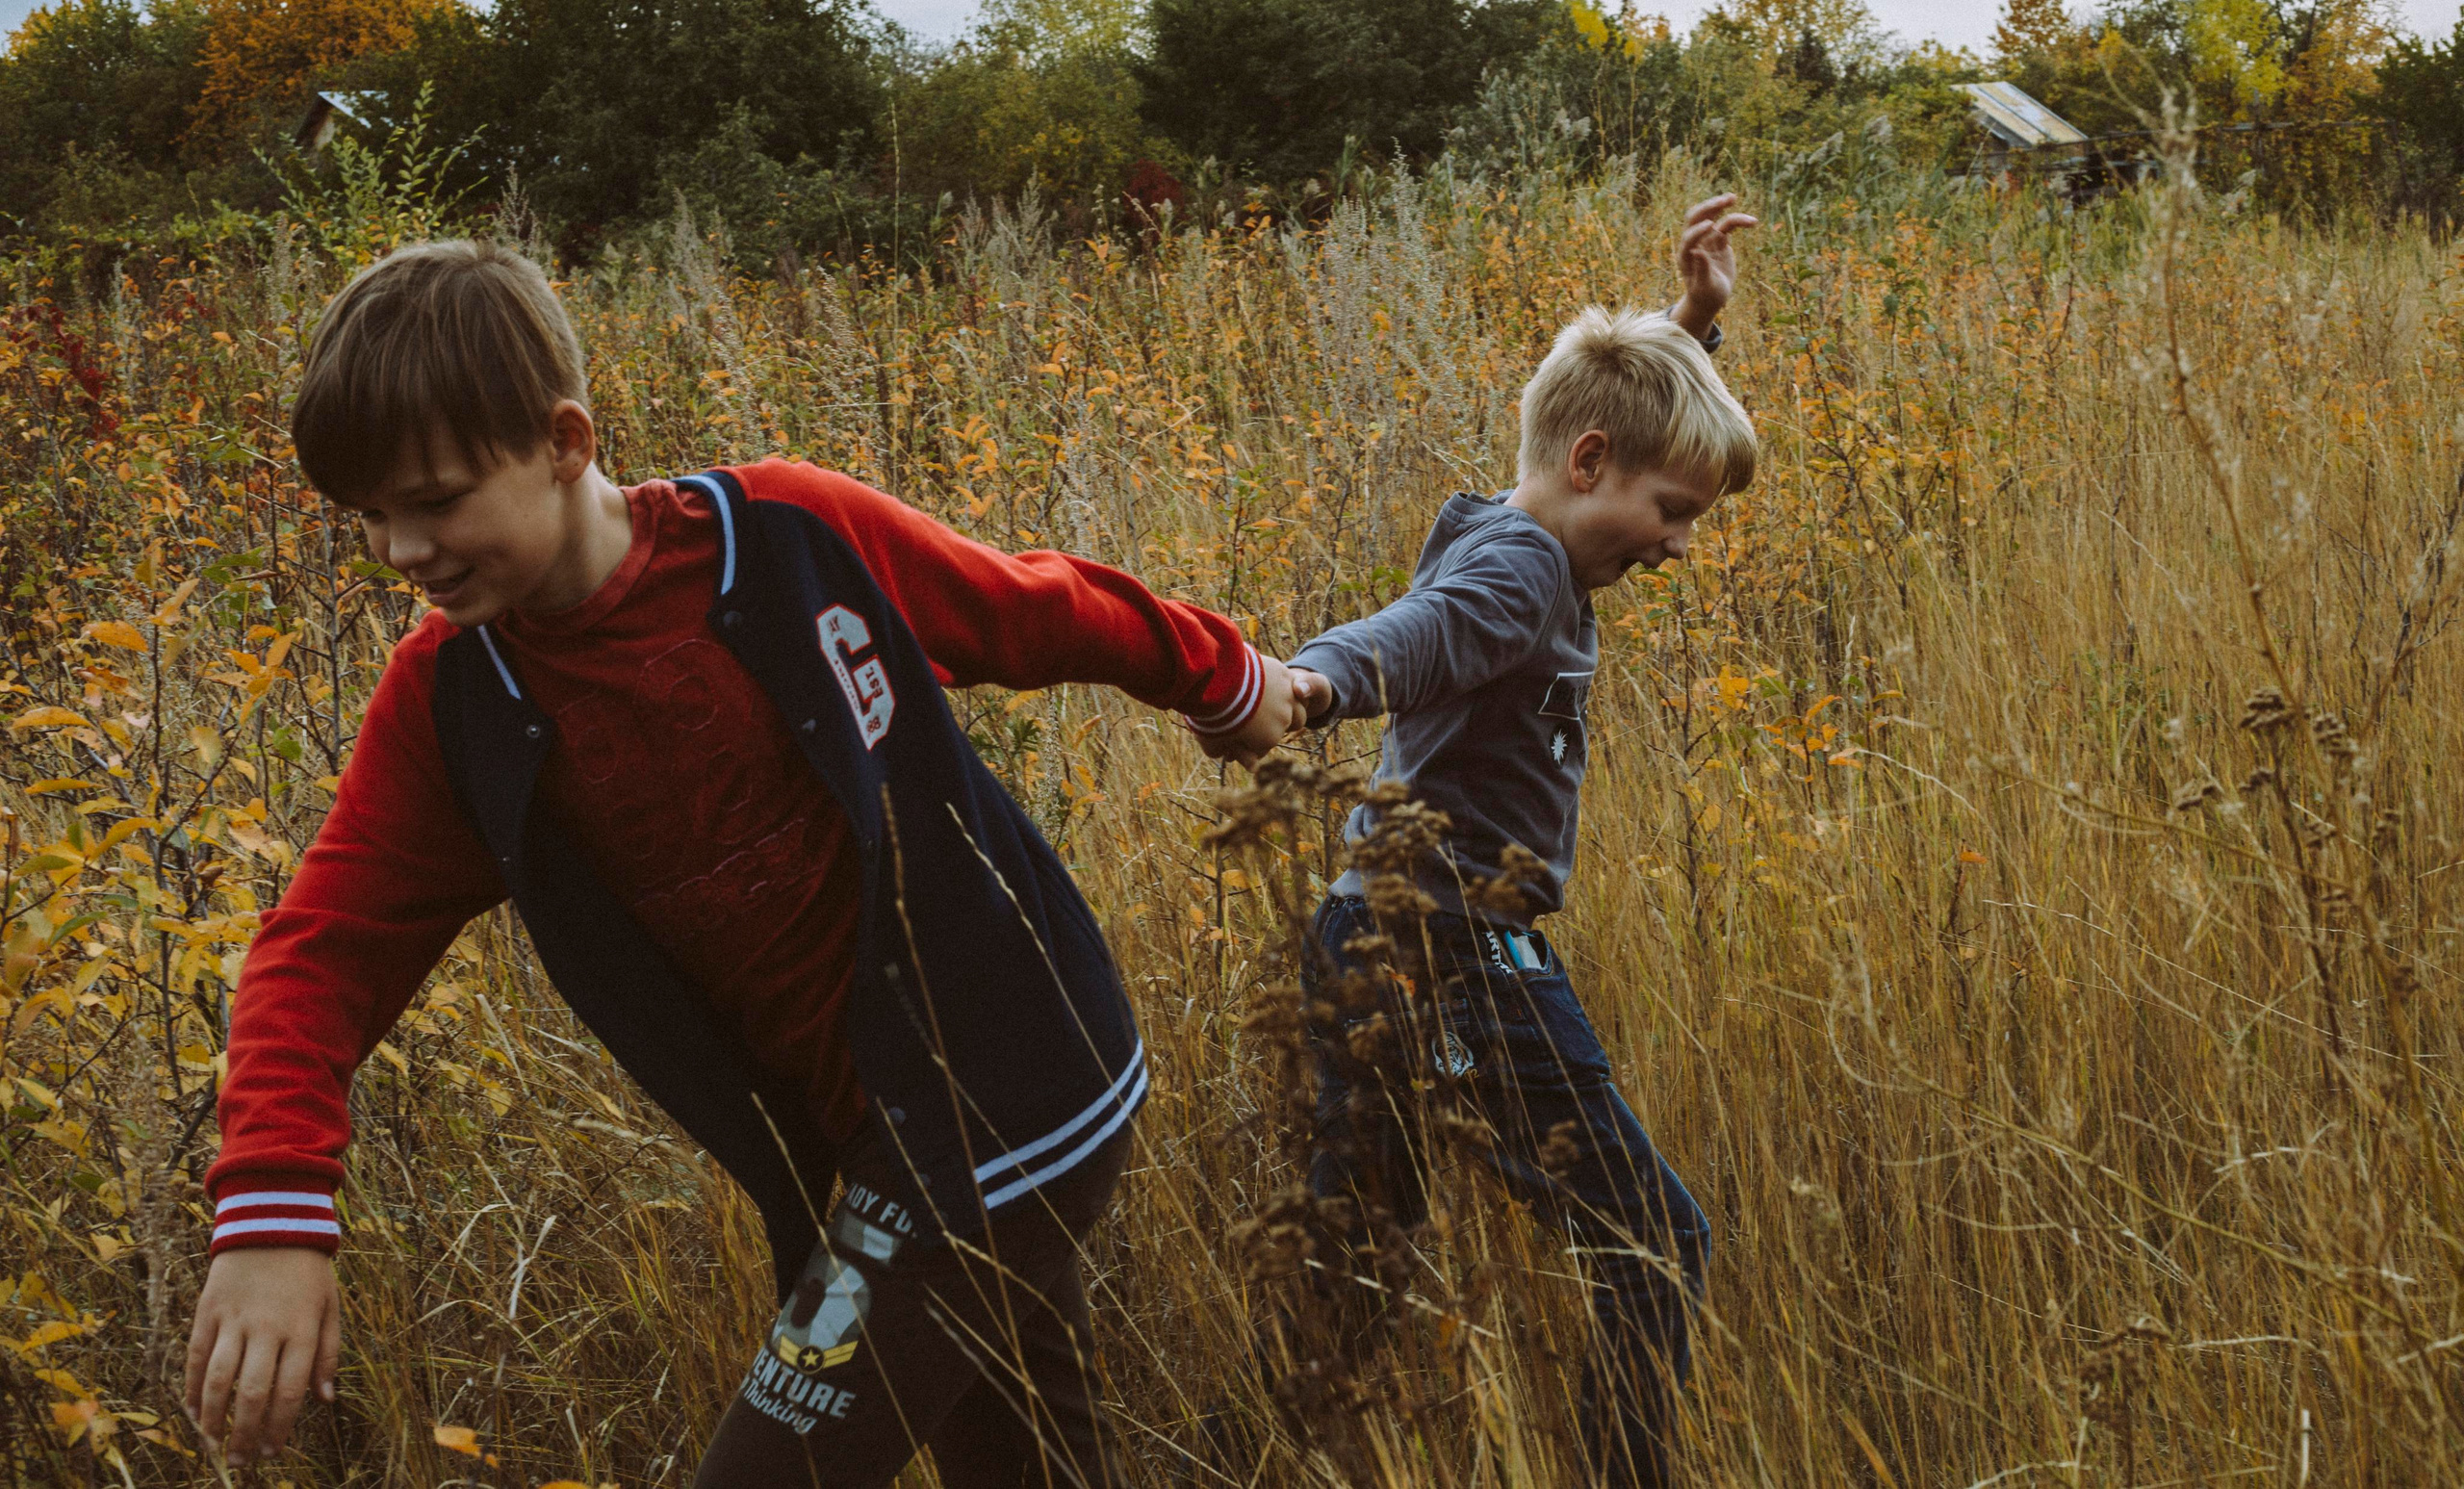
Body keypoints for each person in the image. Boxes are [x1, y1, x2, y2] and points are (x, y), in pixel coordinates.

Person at [182, 239, 1307, 1485]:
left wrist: (1224, 679)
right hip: (859, 1153)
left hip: (1014, 1076)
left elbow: (1032, 606)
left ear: (564, 443)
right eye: (373, 516)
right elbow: (322, 947)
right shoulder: (459, 699)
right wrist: (274, 1213)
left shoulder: (782, 541)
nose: (401, 548)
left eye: (436, 499)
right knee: (1023, 1458)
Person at [1281, 196, 1759, 1487]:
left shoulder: (1521, 515)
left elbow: (1614, 418)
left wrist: (1692, 325)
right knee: (1657, 1238)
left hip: (1373, 930)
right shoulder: (1525, 575)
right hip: (1455, 949)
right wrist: (1314, 683)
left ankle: (1257, 1453)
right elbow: (1421, 634)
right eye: (1672, 512)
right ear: (1593, 462)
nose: (1676, 545)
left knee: (1360, 1272)